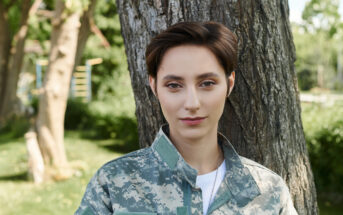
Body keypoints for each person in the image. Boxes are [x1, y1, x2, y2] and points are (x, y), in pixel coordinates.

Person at [75, 21, 298, 215]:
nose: (192, 103)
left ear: (229, 84)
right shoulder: (114, 182)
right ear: (154, 87)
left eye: (207, 84)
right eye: (174, 85)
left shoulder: (268, 190)